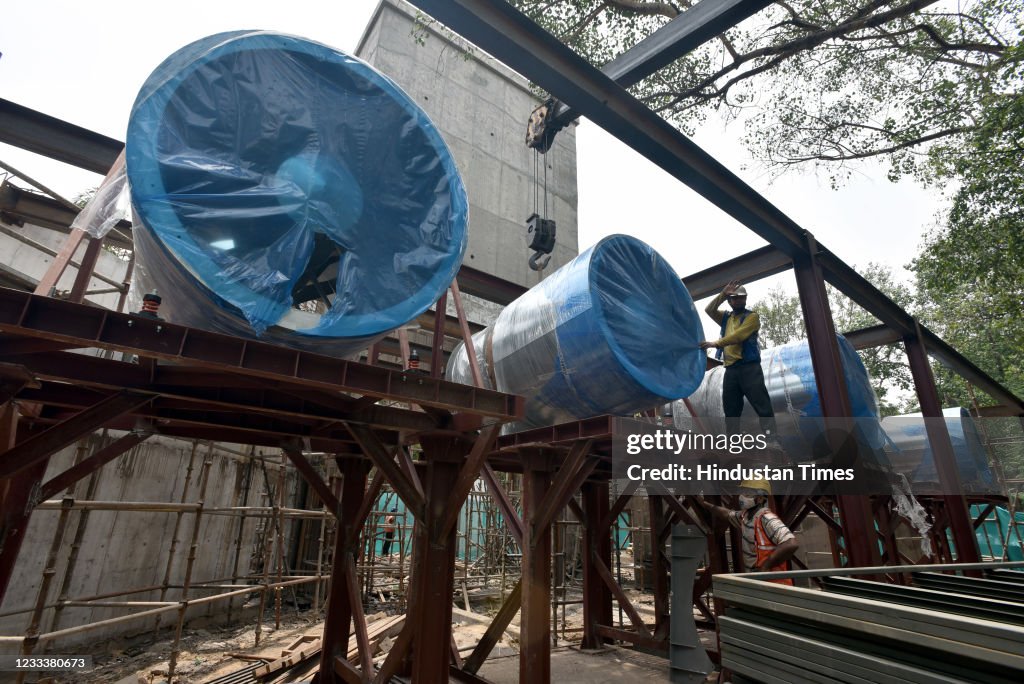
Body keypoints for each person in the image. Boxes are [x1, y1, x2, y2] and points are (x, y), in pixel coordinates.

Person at [699, 280, 775, 436]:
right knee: (731, 409)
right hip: (731, 369)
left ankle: (772, 438)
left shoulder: (752, 317)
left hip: (749, 368)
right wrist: (722, 294)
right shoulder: (726, 318)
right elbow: (709, 309)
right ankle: (733, 442)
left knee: (762, 404)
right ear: (730, 301)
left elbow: (738, 336)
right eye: (735, 298)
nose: (739, 300)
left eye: (742, 297)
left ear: (745, 299)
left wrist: (716, 343)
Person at [695, 479, 798, 584]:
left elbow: (791, 544)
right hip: (759, 582)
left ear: (761, 498)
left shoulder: (767, 519)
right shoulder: (746, 517)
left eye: (748, 493)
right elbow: (727, 514)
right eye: (743, 492)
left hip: (775, 584)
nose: (743, 496)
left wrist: (765, 567)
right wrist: (705, 504)